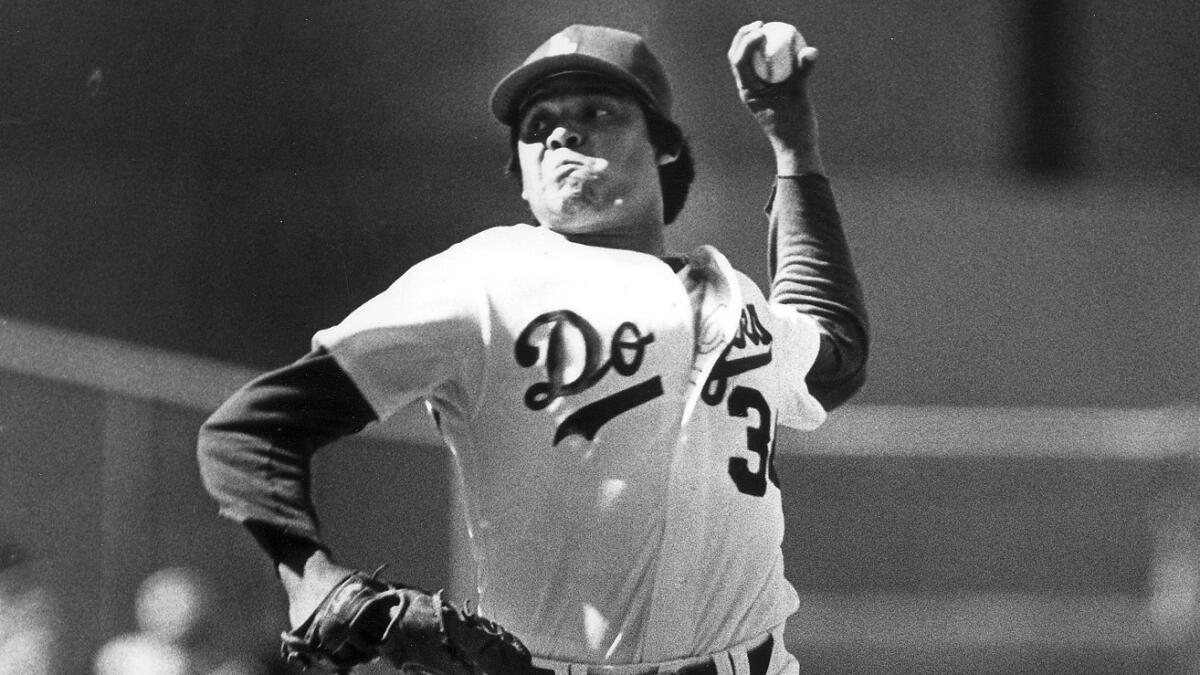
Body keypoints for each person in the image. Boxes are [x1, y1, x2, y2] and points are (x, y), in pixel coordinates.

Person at [198, 20, 867, 675]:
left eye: (597, 110)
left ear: (664, 144)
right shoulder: (483, 280)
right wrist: (309, 576)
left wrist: (793, 141)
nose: (561, 133)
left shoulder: (734, 292)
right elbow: (249, 432)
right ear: (520, 175)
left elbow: (834, 346)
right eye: (536, 126)